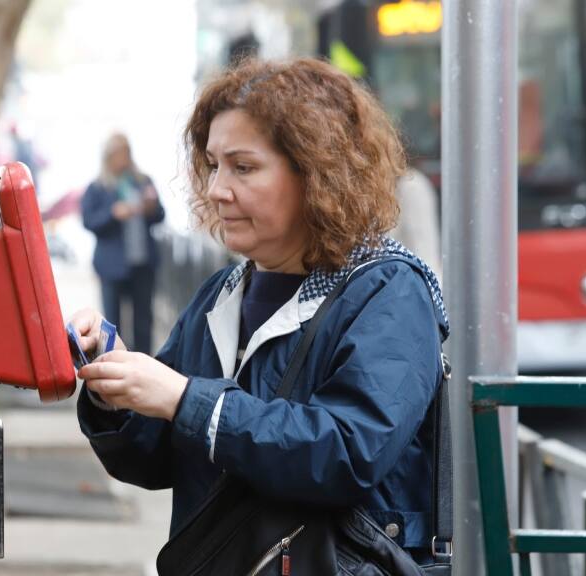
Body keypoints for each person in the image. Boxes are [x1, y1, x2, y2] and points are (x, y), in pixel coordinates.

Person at [70, 58, 449, 569]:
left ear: (317, 173)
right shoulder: (221, 293)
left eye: (243, 167)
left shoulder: (389, 292)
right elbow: (155, 457)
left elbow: (347, 453)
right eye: (214, 164)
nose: (216, 189)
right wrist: (113, 385)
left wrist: (188, 401)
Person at [81, 133, 165, 355]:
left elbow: (160, 215)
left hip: (142, 263)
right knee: (113, 322)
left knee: (143, 321)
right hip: (112, 266)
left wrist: (150, 208)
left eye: (125, 153)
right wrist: (113, 213)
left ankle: (144, 364)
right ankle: (115, 363)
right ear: (108, 157)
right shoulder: (98, 187)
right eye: (117, 154)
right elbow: (88, 221)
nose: (122, 159)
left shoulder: (142, 181)